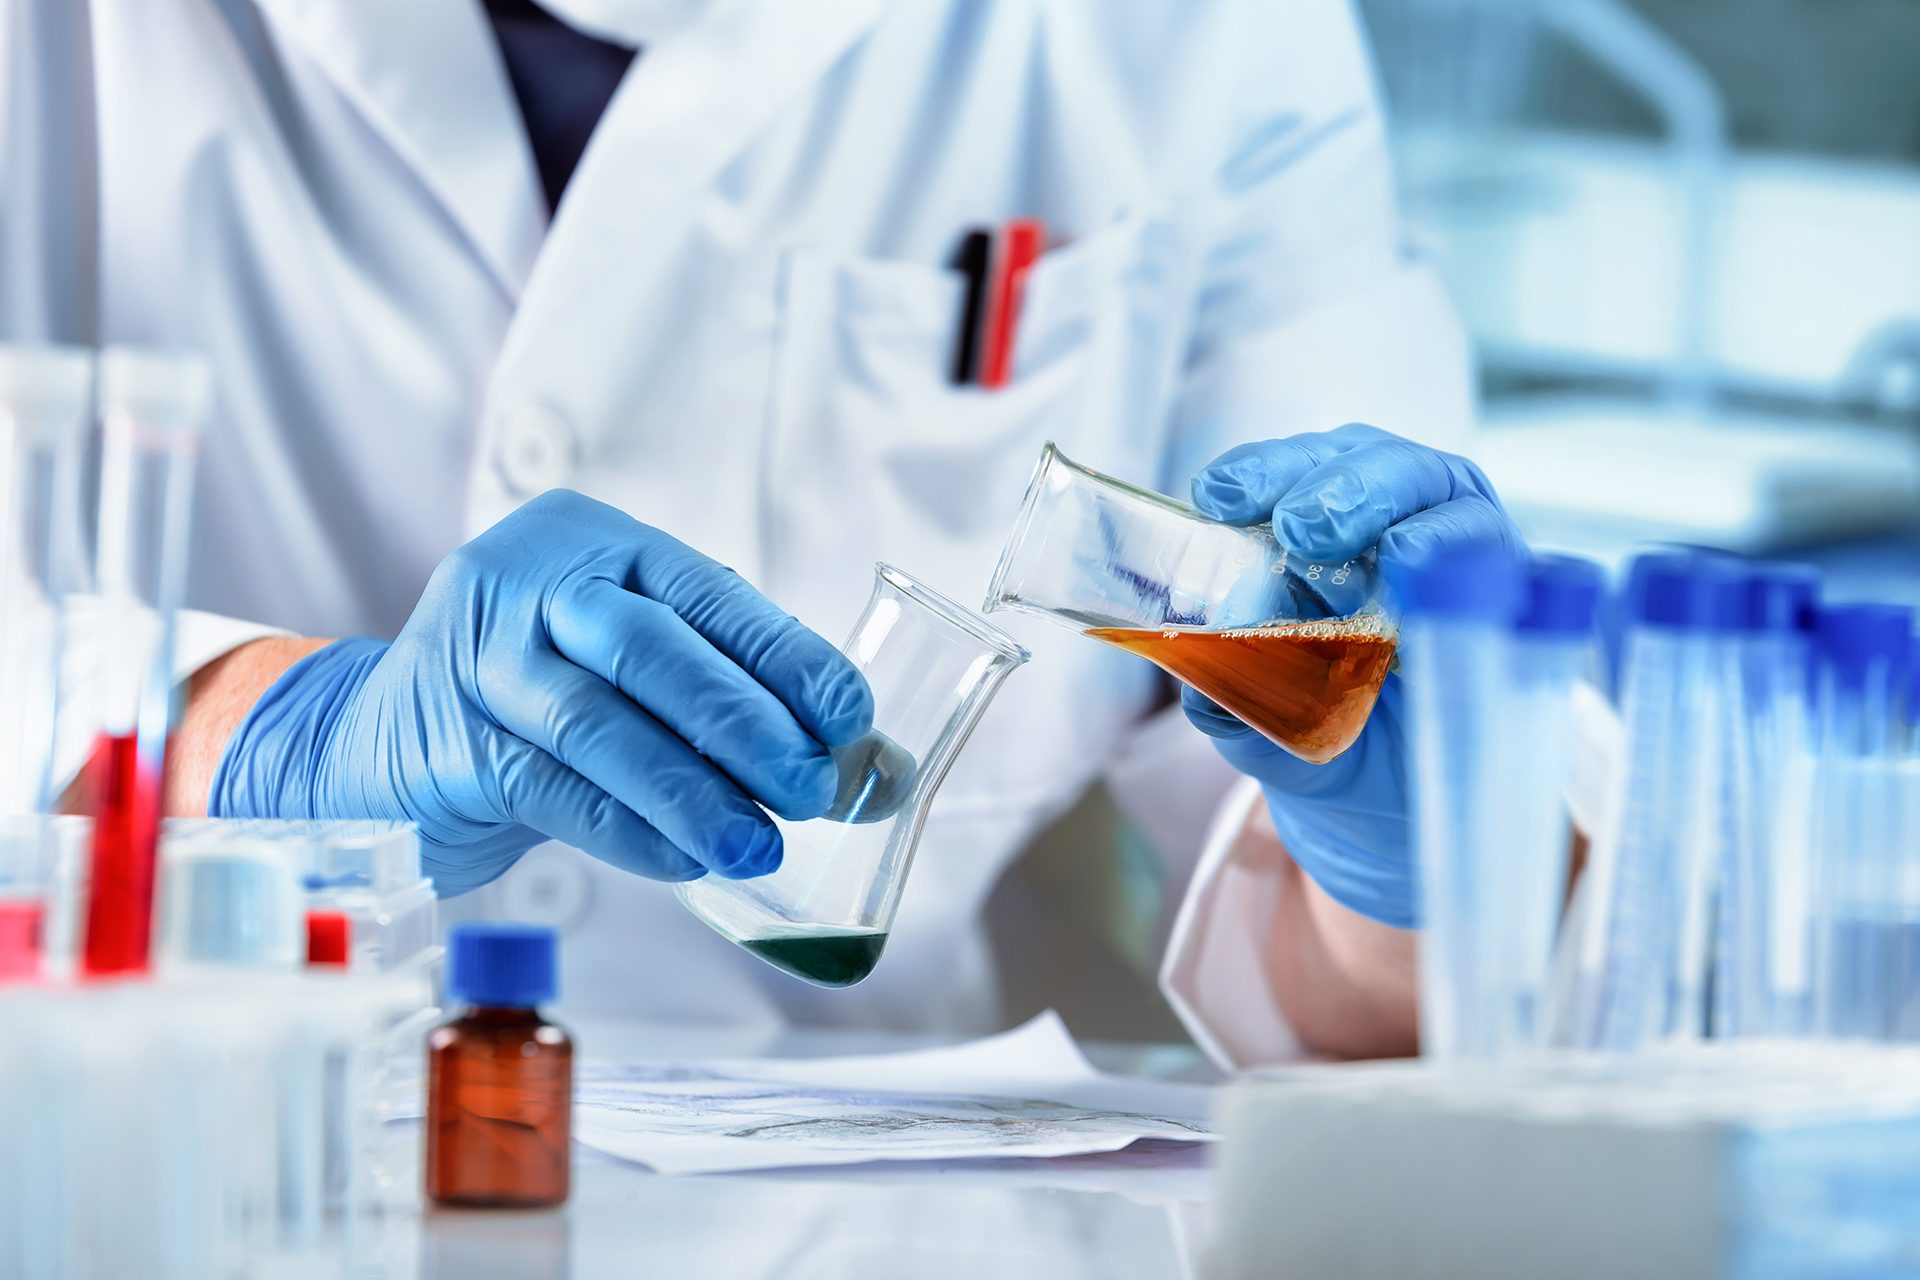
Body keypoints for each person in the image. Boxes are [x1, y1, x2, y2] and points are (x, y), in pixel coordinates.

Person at [0, 0, 1515, 1062]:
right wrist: (260, 743)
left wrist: (1431, 860)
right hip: (160, 1140)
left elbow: (1362, 998)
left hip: (858, 1221)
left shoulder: (1199, 33)